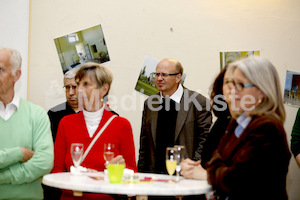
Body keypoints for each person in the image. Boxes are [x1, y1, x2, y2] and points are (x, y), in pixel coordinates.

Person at [205, 57, 291, 200]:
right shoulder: (237, 122)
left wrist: (214, 172)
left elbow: (235, 180)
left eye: (240, 85)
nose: (233, 91)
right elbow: (213, 160)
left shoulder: (267, 127)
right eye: (231, 84)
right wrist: (218, 170)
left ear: (262, 91)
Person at [52, 62, 137, 200]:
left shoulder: (121, 125)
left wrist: (118, 171)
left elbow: (133, 172)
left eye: (86, 84)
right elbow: (56, 171)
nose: (78, 90)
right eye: (78, 84)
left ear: (104, 89)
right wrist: (78, 182)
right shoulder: (65, 123)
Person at [138, 58, 212, 174]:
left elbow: (204, 141)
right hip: (155, 177)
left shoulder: (198, 102)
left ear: (178, 77)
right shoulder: (150, 103)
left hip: (185, 177)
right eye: (156, 74)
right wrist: (142, 174)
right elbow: (144, 143)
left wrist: (193, 170)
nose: (159, 79)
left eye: (164, 75)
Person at [0, 47, 54, 200]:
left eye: (0, 69)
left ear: (17, 75)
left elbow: (44, 162)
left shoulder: (37, 115)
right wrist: (18, 153)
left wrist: (2, 178)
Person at [47, 68, 80, 142]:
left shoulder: (93, 113)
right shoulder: (53, 114)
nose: (71, 92)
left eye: (74, 87)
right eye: (67, 87)